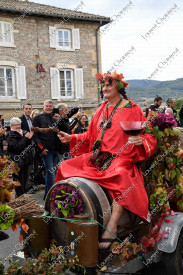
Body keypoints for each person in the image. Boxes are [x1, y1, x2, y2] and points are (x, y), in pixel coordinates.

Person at [55, 70, 157, 250]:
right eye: (103, 85)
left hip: (121, 158)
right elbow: (91, 135)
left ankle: (112, 225)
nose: (104, 88)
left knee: (121, 174)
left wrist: (141, 141)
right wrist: (73, 138)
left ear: (118, 87)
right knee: (64, 166)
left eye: (108, 85)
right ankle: (68, 212)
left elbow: (149, 135)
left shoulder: (132, 108)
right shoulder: (102, 108)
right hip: (98, 157)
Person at [32, 100, 59, 199]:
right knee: (50, 172)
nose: (48, 107)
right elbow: (35, 136)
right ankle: (50, 195)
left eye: (50, 106)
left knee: (53, 172)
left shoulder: (54, 118)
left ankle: (49, 194)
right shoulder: (38, 118)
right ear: (43, 107)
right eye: (46, 106)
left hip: (55, 150)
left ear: (52, 107)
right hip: (46, 150)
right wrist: (41, 148)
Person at [7, 117, 34, 197]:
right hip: (17, 162)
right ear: (12, 126)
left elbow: (29, 144)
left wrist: (30, 138)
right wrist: (26, 138)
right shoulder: (11, 135)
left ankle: (21, 196)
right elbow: (17, 148)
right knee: (18, 180)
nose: (19, 126)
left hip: (25, 161)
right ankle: (20, 197)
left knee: (24, 180)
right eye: (16, 125)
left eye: (19, 124)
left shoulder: (24, 132)